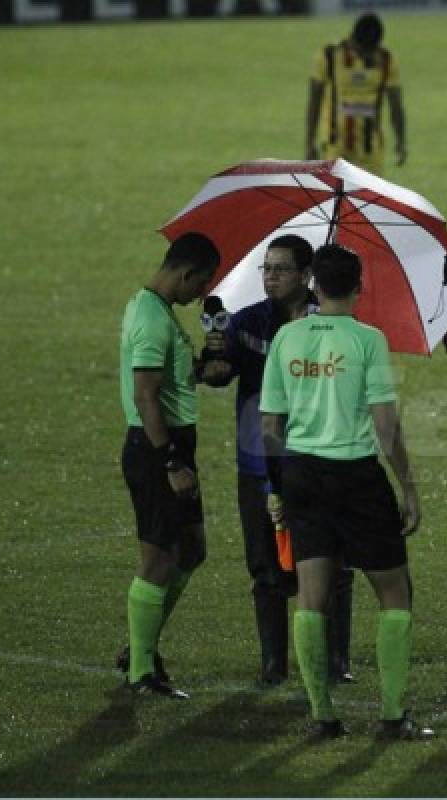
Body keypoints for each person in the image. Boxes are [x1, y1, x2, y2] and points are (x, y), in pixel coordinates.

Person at [260, 243, 433, 740]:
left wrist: (279, 486)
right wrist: (409, 487)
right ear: (359, 287)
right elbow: (386, 426)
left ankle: (322, 717)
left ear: (313, 282)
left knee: (311, 597)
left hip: (301, 475)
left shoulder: (286, 338)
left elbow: (270, 425)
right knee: (396, 593)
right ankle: (393, 715)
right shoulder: (368, 340)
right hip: (355, 476)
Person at [200, 234, 356, 687]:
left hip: (317, 459)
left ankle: (334, 661)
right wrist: (212, 364)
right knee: (265, 565)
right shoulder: (247, 321)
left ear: (308, 275)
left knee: (332, 563)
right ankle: (273, 665)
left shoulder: (331, 324)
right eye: (266, 268)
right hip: (257, 460)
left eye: (281, 269)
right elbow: (221, 369)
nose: (270, 277)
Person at [118, 232, 220, 698]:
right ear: (185, 273)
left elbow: (166, 381)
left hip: (171, 445)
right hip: (158, 449)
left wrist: (201, 368)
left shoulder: (157, 312)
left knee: (192, 549)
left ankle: (140, 647)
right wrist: (173, 461)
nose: (201, 293)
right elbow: (145, 395)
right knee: (159, 559)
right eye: (201, 284)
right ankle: (141, 670)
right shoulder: (152, 319)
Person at [305, 12, 407, 173]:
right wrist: (309, 142)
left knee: (370, 198)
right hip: (335, 146)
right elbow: (314, 100)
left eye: (371, 50)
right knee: (338, 196)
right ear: (353, 40)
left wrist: (401, 141)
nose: (367, 55)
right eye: (363, 51)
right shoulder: (329, 55)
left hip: (371, 148)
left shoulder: (386, 59)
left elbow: (396, 103)